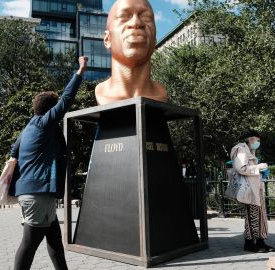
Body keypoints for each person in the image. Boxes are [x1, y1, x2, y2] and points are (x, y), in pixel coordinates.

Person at [11, 56, 88, 270]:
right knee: (29, 243)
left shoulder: (27, 129)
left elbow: (13, 153)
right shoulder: (44, 125)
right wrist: (80, 70)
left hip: (30, 193)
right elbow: (66, 100)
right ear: (49, 111)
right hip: (38, 194)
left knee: (54, 239)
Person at [95, 0, 168, 105]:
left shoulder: (161, 93)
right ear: (107, 39)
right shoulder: (101, 94)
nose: (136, 23)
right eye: (124, 16)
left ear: (155, 39)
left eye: (146, 17)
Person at [231, 129, 275, 253]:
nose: (258, 142)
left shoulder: (250, 151)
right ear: (250, 139)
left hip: (256, 188)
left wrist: (261, 173)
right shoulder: (241, 150)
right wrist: (259, 167)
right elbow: (241, 168)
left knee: (261, 216)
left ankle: (261, 241)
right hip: (249, 190)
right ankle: (249, 243)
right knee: (252, 217)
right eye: (257, 140)